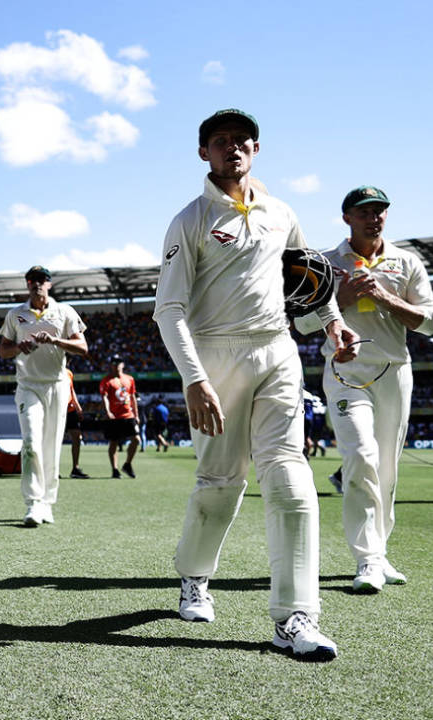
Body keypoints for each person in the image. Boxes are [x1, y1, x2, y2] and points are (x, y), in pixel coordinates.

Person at [153, 109, 357, 661]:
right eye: (221, 142)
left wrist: (333, 324)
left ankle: (296, 617)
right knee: (220, 484)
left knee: (290, 476)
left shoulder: (280, 212)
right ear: (204, 154)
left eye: (242, 141)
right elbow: (168, 309)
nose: (232, 148)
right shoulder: (189, 220)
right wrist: (194, 379)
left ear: (257, 149)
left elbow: (309, 278)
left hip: (277, 350)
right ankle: (194, 577)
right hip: (216, 355)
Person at [295, 186, 433, 593]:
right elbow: (303, 324)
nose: (372, 217)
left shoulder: (405, 262)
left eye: (379, 211)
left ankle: (379, 550)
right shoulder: (326, 262)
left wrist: (384, 297)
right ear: (347, 218)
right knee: (360, 456)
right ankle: (367, 559)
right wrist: (340, 297)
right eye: (364, 211)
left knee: (387, 469)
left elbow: (430, 322)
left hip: (395, 371)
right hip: (346, 371)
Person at [0, 265, 89, 527]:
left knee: (51, 446)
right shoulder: (16, 314)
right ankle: (33, 502)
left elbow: (83, 347)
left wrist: (55, 341)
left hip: (57, 385)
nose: (37, 284)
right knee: (31, 443)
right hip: (28, 386)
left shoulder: (64, 311)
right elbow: (3, 350)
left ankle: (48, 502)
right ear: (27, 284)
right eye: (32, 280)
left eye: (41, 280)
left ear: (49, 284)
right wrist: (18, 346)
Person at [100, 355, 140, 478]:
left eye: (119, 362)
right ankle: (115, 469)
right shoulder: (106, 381)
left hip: (129, 415)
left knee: (137, 439)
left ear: (122, 364)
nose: (116, 364)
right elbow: (105, 397)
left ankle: (127, 464)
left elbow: (133, 397)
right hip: (114, 417)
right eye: (114, 362)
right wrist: (108, 412)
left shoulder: (130, 379)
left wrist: (136, 415)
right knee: (114, 443)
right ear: (111, 365)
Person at [65, 368, 89, 478]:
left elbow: (71, 389)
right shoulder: (51, 370)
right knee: (54, 440)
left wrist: (78, 406)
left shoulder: (69, 373)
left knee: (77, 437)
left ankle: (75, 468)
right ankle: (52, 470)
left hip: (70, 410)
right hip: (56, 410)